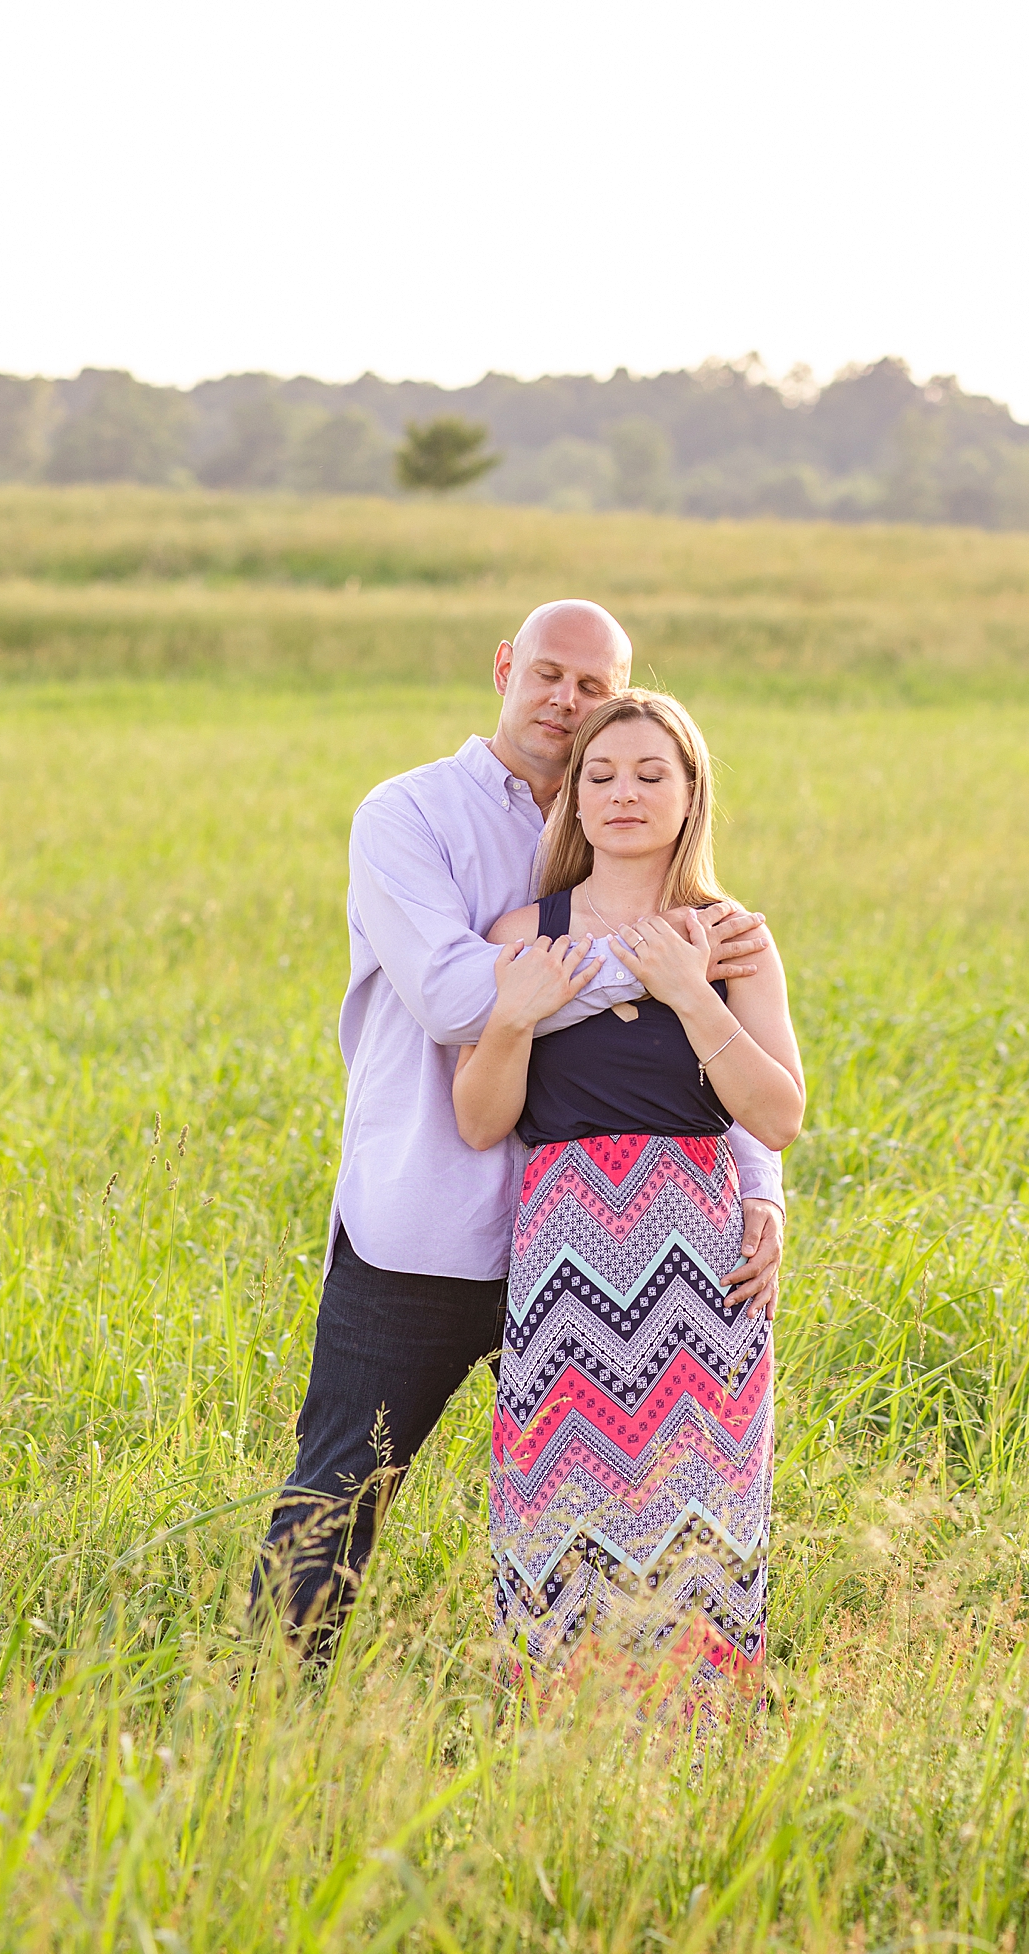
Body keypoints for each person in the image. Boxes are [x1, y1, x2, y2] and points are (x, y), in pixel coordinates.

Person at [252, 601, 787, 1642]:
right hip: (430, 1224)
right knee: (341, 1490)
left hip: (609, 1249)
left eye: (592, 687)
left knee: (628, 1497)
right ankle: (272, 1712)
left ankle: (609, 1725)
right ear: (505, 667)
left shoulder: (637, 837)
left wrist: (758, 1183)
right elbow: (458, 996)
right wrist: (656, 960)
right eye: (547, 673)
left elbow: (722, 1060)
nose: (565, 700)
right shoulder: (408, 814)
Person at [453, 688, 804, 1701]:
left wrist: (691, 993)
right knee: (556, 1507)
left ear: (692, 793)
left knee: (701, 1510)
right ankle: (561, 1743)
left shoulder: (731, 938)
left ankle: (697, 1750)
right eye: (601, 775)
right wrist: (515, 1018)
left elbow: (777, 1117)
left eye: (653, 774)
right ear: (572, 799)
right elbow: (481, 1121)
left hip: (699, 1258)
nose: (623, 794)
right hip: (564, 1254)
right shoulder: (528, 931)